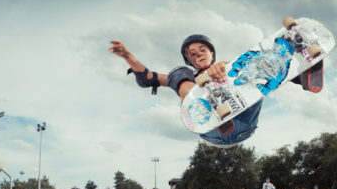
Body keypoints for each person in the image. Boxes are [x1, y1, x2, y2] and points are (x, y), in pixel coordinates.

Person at [109, 34, 324, 148]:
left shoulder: (230, 66)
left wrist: (222, 71)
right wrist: (129, 56)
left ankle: (304, 75)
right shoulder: (188, 76)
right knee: (178, 73)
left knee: (249, 67)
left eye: (202, 50)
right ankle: (210, 105)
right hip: (213, 129)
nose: (198, 55)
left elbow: (258, 74)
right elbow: (149, 79)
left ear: (211, 52)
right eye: (192, 54)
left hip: (242, 121)